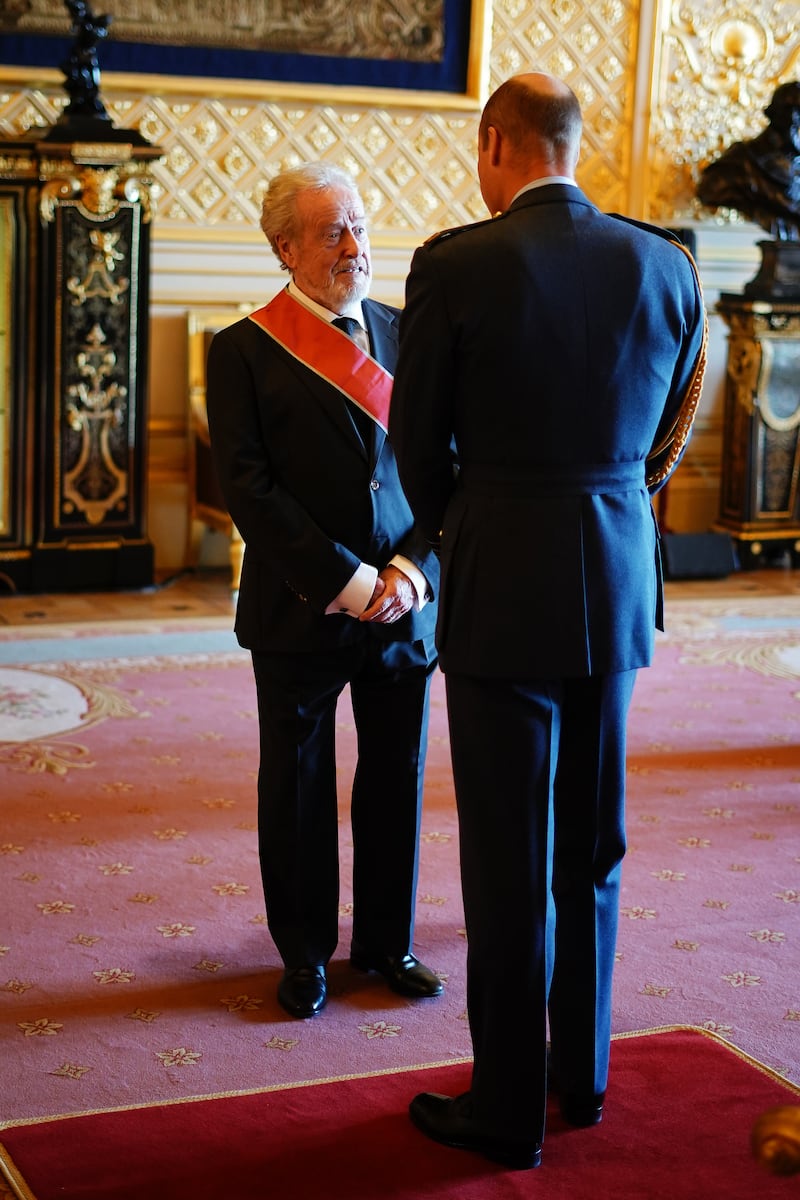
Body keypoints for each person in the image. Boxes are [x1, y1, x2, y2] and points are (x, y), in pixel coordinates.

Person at [390, 72, 707, 1169]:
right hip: (613, 578)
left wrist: (466, 529)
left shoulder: (454, 264)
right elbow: (669, 423)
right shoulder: (663, 264)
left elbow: (414, 446)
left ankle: (504, 1108)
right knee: (593, 845)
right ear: (571, 147)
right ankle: (584, 1078)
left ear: (495, 146)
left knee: (507, 853)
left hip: (499, 583)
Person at [205, 163, 443, 1020]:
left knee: (395, 780)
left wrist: (413, 572)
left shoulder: (408, 333)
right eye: (333, 231)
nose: (356, 246)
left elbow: (444, 471)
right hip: (303, 606)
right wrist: (349, 582)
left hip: (403, 608)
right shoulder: (240, 350)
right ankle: (304, 954)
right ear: (284, 247)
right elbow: (249, 492)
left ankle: (386, 944)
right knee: (299, 788)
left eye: (361, 227)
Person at [697, 80, 800, 241]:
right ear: (779, 114)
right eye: (796, 112)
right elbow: (708, 191)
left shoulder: (796, 164)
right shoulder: (743, 159)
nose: (798, 121)